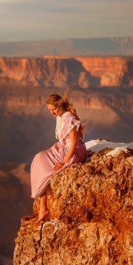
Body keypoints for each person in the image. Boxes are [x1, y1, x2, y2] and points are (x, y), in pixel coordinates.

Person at [31, 90, 87, 223]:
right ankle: (43, 207)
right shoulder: (60, 117)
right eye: (49, 110)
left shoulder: (70, 118)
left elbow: (73, 143)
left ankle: (43, 208)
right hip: (64, 147)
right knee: (39, 158)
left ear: (60, 105)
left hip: (73, 151)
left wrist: (64, 162)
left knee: (44, 164)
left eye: (53, 109)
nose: (52, 112)